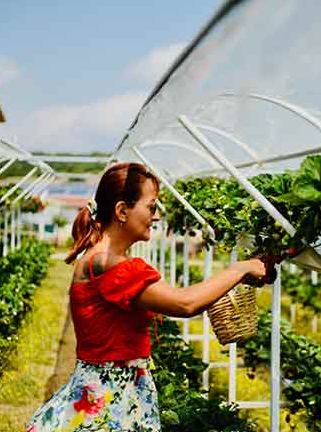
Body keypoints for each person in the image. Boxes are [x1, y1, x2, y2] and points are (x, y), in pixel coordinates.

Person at [26, 162, 266, 432]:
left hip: (102, 389)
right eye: (151, 207)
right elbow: (184, 303)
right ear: (121, 211)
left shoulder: (99, 259)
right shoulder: (109, 264)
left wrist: (236, 275)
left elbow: (183, 298)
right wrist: (240, 268)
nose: (155, 216)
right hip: (111, 397)